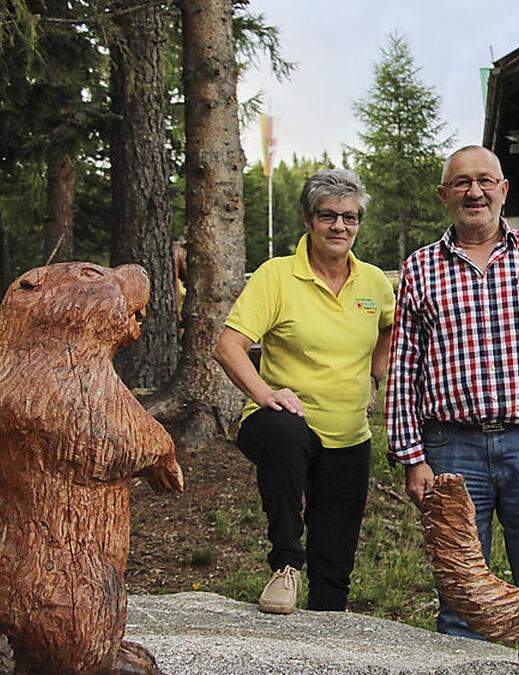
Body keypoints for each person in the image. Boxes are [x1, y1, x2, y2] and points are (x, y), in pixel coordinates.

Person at [385, 145, 519, 637]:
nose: (474, 191)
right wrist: (412, 457)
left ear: (504, 190)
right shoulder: (420, 268)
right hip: (452, 450)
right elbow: (404, 367)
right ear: (444, 195)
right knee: (461, 594)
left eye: (485, 180)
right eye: (462, 182)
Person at [213, 169, 395, 614]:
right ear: (308, 220)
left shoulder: (373, 282)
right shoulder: (277, 275)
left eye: (350, 218)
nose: (339, 227)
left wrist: (374, 374)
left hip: (350, 434)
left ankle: (326, 628)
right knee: (286, 432)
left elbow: (390, 327)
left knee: (334, 564)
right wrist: (263, 393)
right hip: (284, 425)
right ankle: (286, 565)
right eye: (327, 215)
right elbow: (229, 345)